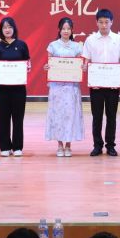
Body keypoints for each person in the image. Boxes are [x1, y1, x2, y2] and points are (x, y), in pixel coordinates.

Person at [82, 8, 120, 157]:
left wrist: (118, 75)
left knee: (111, 116)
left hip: (113, 85)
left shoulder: (118, 39)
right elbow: (86, 60)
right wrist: (85, 67)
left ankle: (111, 146)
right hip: (96, 85)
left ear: (112, 22)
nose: (104, 25)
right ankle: (97, 145)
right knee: (97, 116)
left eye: (107, 22)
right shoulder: (90, 40)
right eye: (101, 22)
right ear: (97, 23)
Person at [44, 17, 85, 157]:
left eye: (68, 28)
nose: (66, 31)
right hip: (57, 87)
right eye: (63, 28)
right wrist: (47, 67)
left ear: (72, 30)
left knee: (70, 115)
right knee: (58, 115)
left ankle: (68, 145)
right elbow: (49, 64)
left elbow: (79, 65)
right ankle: (60, 145)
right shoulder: (53, 45)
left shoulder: (77, 46)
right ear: (59, 30)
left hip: (71, 87)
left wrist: (82, 68)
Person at [0, 16, 30, 157]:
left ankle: (17, 147)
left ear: (14, 28)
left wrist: (27, 67)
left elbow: (27, 63)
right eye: (4, 27)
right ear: (1, 30)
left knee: (18, 118)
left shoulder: (22, 45)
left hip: (18, 88)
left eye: (9, 27)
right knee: (3, 117)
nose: (7, 30)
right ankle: (4, 146)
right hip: (2, 89)